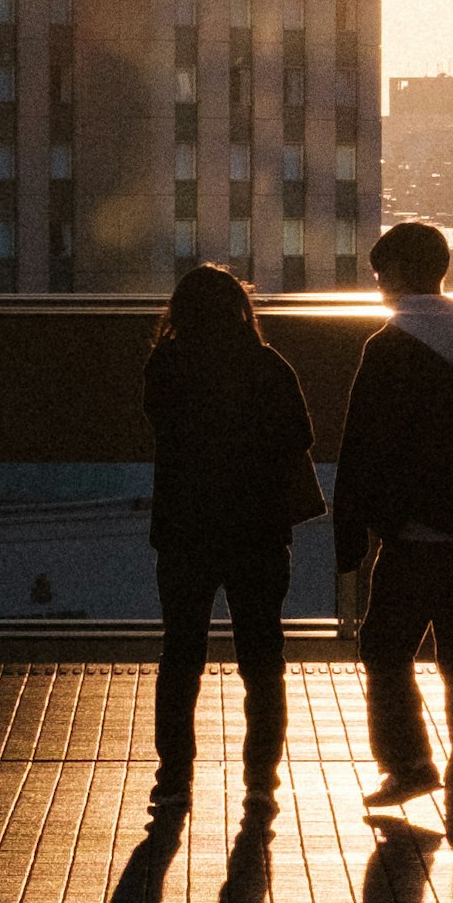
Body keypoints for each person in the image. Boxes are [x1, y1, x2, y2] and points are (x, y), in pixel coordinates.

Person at [330, 215, 453, 812]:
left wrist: (352, 536)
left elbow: (361, 447)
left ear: (392, 275)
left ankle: (410, 763)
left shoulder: (388, 347)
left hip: (412, 534)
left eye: (380, 274)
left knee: (385, 651)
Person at [140, 260, 321, 808]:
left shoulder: (166, 365)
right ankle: (261, 782)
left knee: (181, 656)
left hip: (186, 529)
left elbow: (161, 426)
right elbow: (300, 436)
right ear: (240, 310)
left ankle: (174, 780)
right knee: (263, 658)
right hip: (257, 530)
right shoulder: (267, 365)